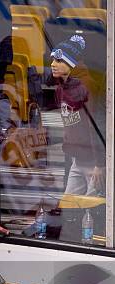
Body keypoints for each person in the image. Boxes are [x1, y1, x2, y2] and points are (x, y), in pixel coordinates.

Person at [50, 35, 105, 196]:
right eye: (53, 60)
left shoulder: (87, 86)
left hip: (93, 160)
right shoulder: (61, 89)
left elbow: (96, 126)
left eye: (58, 60)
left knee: (92, 208)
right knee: (70, 204)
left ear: (71, 63)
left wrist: (99, 163)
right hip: (76, 158)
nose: (52, 64)